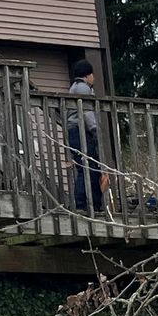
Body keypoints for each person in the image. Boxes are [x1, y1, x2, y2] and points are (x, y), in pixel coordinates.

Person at [65, 58, 108, 214]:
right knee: (88, 168)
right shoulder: (83, 88)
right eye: (92, 74)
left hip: (75, 131)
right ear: (87, 75)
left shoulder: (74, 87)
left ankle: (90, 204)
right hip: (81, 130)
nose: (93, 78)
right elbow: (87, 110)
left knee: (88, 168)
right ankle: (84, 205)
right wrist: (95, 128)